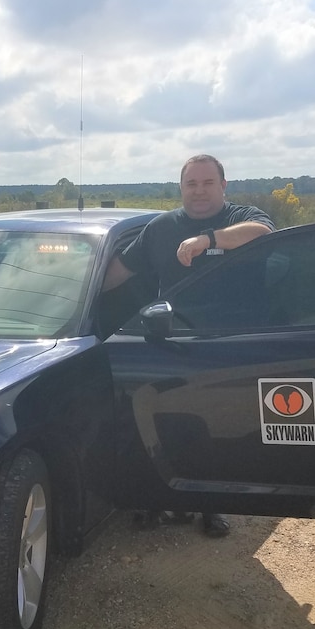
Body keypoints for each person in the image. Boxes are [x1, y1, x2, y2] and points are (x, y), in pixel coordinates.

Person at [104, 154, 274, 538]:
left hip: (226, 343)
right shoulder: (161, 228)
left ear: (223, 186)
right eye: (191, 184)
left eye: (207, 183)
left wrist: (208, 240)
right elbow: (119, 272)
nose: (199, 191)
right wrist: (76, 292)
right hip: (172, 340)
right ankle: (156, 501)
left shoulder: (240, 217)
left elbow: (264, 234)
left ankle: (212, 506)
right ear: (180, 188)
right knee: (165, 422)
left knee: (218, 425)